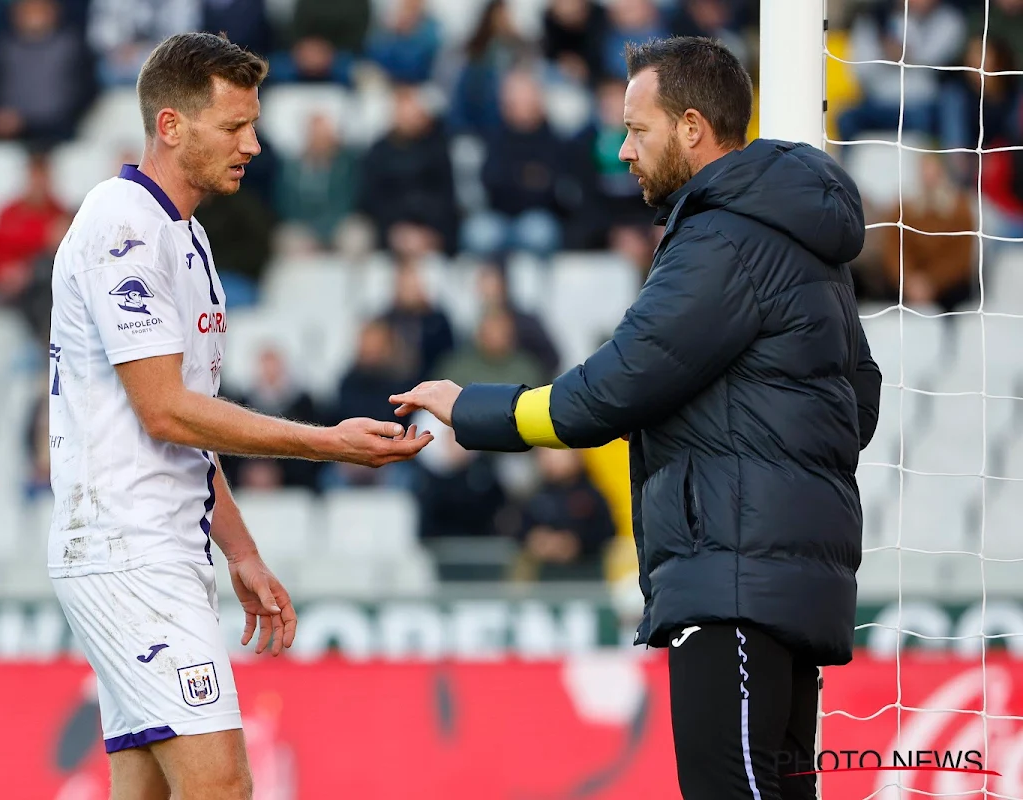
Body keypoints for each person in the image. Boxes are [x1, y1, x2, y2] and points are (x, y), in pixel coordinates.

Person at [390, 36, 882, 800]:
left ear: (691, 128)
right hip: (788, 582)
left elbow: (608, 393)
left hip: (734, 583)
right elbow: (861, 403)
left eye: (636, 128)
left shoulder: (722, 237)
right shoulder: (803, 242)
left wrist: (471, 407)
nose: (622, 150)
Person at [47, 33, 432, 800]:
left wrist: (243, 553)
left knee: (147, 789)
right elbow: (166, 412)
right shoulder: (124, 228)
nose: (254, 144)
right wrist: (328, 445)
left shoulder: (187, 235)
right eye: (234, 127)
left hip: (155, 546)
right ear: (170, 126)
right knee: (221, 785)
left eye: (253, 124)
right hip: (128, 549)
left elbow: (188, 429)